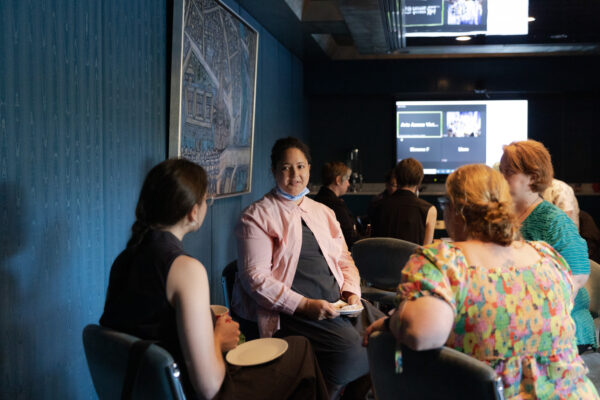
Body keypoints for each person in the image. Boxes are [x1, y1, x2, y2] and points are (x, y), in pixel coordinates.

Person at [364, 164, 599, 399]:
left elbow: (421, 334)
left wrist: (391, 323)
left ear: (455, 209)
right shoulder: (547, 256)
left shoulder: (444, 261)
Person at [100, 159, 328, 400]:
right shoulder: (186, 269)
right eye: (206, 200)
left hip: (142, 390)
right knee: (301, 352)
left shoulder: (124, 258)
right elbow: (209, 388)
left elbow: (151, 325)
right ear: (193, 211)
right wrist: (217, 340)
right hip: (190, 390)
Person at [231, 137, 383, 399]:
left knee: (386, 335)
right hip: (295, 312)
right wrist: (305, 305)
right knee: (351, 352)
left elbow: (344, 258)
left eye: (300, 167)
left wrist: (351, 292)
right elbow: (255, 279)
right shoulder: (257, 216)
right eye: (286, 168)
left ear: (309, 169)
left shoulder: (323, 212)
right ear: (274, 171)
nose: (295, 175)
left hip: (337, 304)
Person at [500, 139, 596, 353]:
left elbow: (578, 274)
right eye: (501, 171)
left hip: (562, 330)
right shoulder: (505, 216)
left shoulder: (552, 220)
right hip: (522, 322)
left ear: (533, 177)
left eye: (508, 172)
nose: (501, 178)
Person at [370, 158, 437, 245]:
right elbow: (427, 250)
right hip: (413, 258)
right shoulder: (429, 210)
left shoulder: (377, 205)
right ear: (419, 181)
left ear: (396, 178)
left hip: (382, 258)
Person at [314, 161, 361, 248]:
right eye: (347, 179)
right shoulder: (335, 205)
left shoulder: (319, 198)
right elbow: (350, 238)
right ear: (338, 180)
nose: (348, 184)